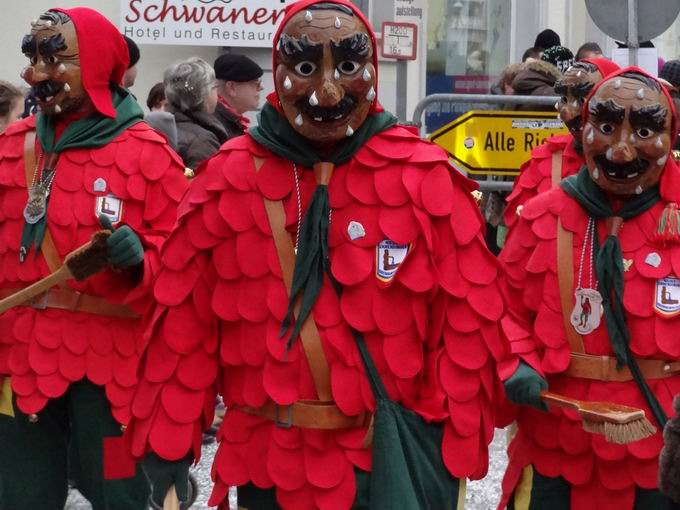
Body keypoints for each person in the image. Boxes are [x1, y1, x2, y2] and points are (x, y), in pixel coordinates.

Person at [126, 0, 505, 508]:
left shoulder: (424, 175)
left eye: (347, 67)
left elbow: (465, 322)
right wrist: (166, 443)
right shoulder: (228, 179)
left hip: (384, 459)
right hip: (269, 461)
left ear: (370, 69)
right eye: (305, 68)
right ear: (278, 72)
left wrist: (445, 439)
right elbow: (184, 325)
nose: (327, 91)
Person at [0, 8, 188, 509]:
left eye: (53, 59)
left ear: (99, 64)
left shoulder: (150, 155)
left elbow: (183, 265)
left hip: (113, 370)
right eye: (33, 58)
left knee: (118, 490)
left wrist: (141, 256)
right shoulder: (9, 148)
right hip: (19, 360)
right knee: (20, 492)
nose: (34, 74)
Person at [498, 67, 680, 509]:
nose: (620, 150)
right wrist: (517, 360)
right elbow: (500, 308)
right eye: (605, 127)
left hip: (658, 447)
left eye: (642, 131)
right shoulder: (541, 217)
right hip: (559, 440)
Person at [505, 58, 620, 229]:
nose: (568, 114)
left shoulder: (643, 166)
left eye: (582, 101)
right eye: (564, 100)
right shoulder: (544, 160)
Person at [165, 57, 227, 171]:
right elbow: (204, 184)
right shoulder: (202, 140)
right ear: (202, 94)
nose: (217, 94)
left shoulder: (163, 127)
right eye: (214, 87)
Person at [213, 53, 264, 139]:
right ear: (231, 88)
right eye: (256, 83)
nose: (262, 87)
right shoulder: (216, 128)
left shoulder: (226, 122)